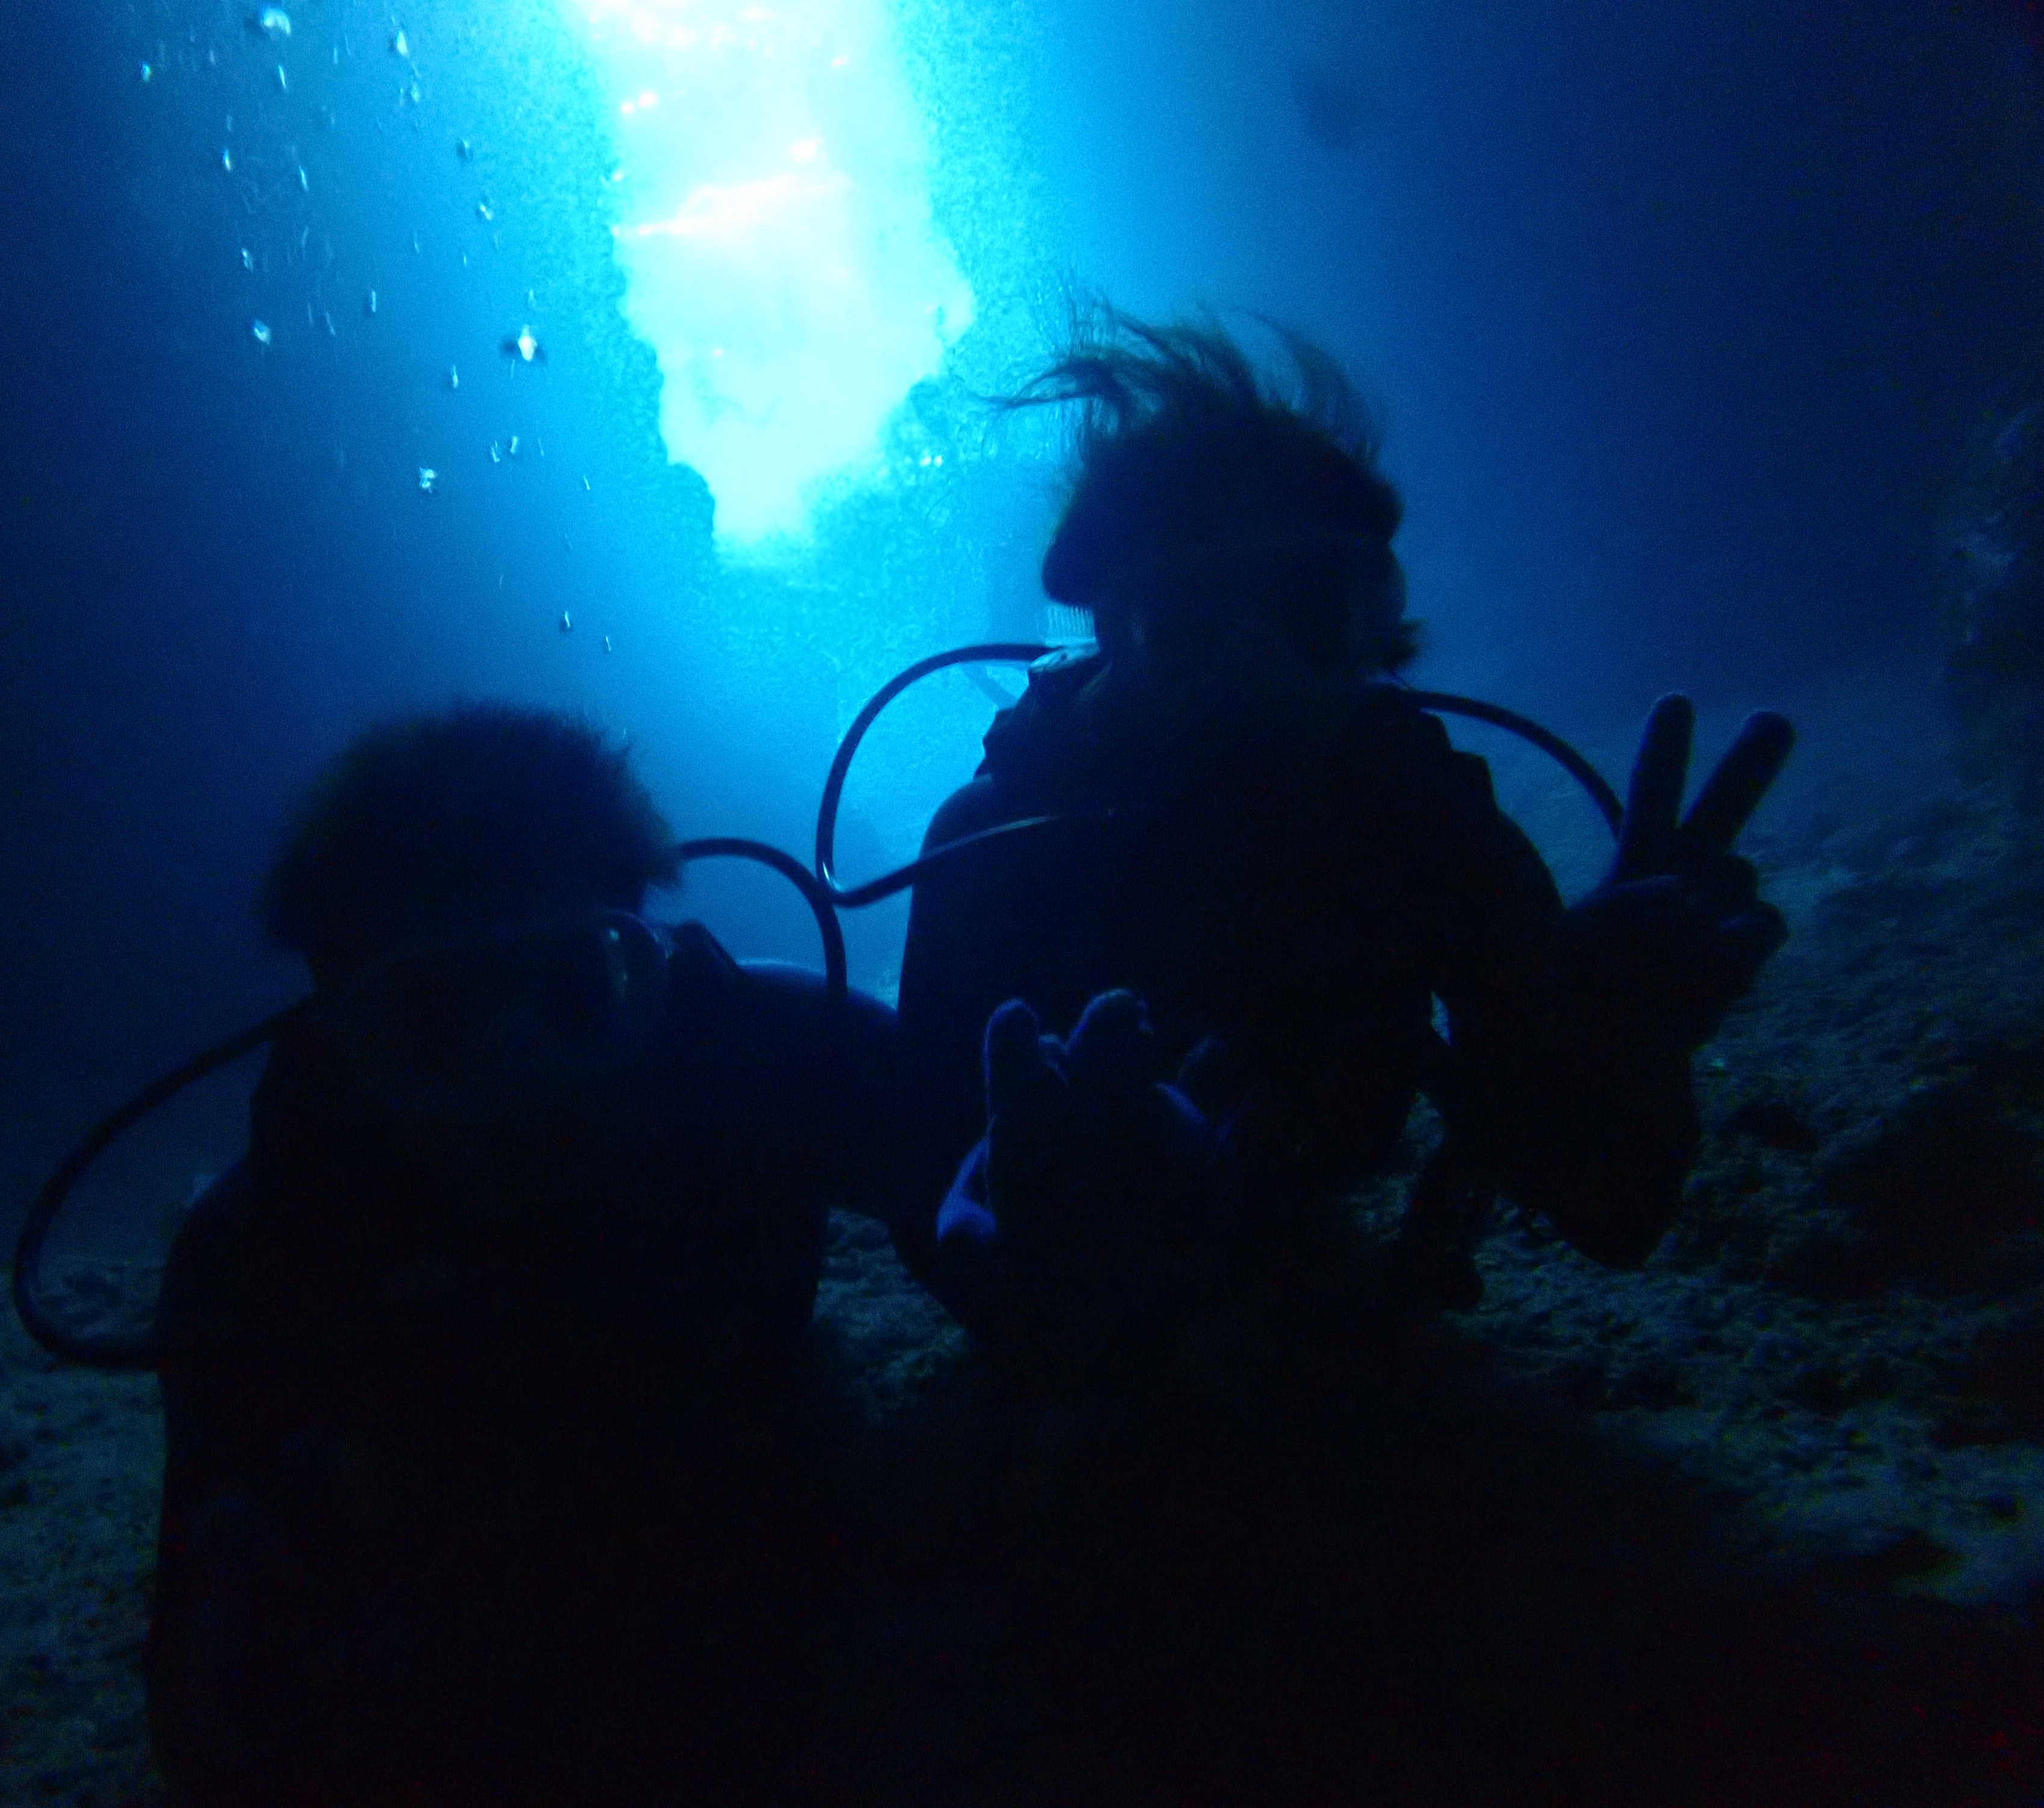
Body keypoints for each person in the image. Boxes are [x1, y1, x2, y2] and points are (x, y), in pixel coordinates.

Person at [893, 306, 1791, 1371]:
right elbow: (936, 1217)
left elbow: (1612, 1216)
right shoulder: (996, 850)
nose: (1255, 664)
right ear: (1110, 628)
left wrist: (1622, 1052)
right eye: (1189, 615)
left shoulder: (1421, 825)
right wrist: (1054, 1260)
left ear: (1375, 629)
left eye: (1313, 605)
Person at [143, 705, 900, 1807]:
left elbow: (987, 1194)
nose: (519, 1070)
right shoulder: (264, 1252)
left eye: (572, 991)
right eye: (436, 1019)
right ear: (338, 1032)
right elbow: (206, 1711)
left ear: (648, 968)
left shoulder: (765, 1060)